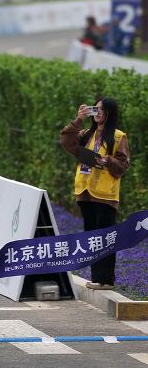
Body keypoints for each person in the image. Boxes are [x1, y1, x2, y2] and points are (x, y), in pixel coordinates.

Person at [60, 98, 130, 290]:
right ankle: (97, 278)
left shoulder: (118, 136)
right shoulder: (86, 133)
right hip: (85, 192)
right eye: (95, 109)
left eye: (101, 110)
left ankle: (106, 280)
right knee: (92, 238)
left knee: (105, 237)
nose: (97, 113)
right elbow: (66, 141)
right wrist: (78, 119)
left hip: (106, 195)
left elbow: (123, 165)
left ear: (110, 113)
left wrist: (107, 161)